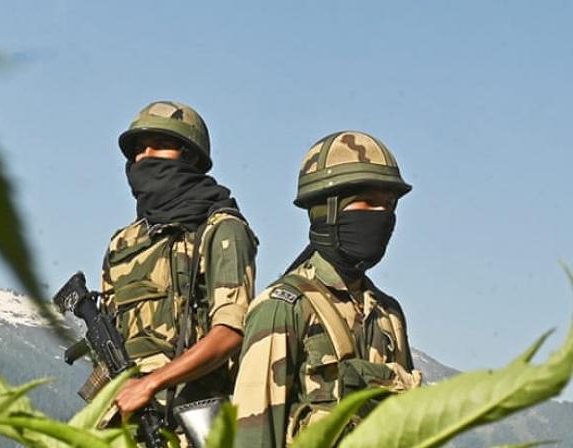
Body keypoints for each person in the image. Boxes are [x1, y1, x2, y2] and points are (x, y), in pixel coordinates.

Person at [232, 131, 422, 447]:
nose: (382, 216)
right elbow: (252, 433)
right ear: (328, 211)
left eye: (389, 206)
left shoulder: (388, 314)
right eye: (369, 203)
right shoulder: (284, 307)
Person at [97, 101, 258, 427]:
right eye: (139, 150)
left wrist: (151, 383)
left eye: (160, 146)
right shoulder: (124, 243)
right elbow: (108, 332)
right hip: (128, 418)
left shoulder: (221, 229)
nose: (145, 157)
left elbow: (230, 332)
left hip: (194, 419)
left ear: (191, 157)